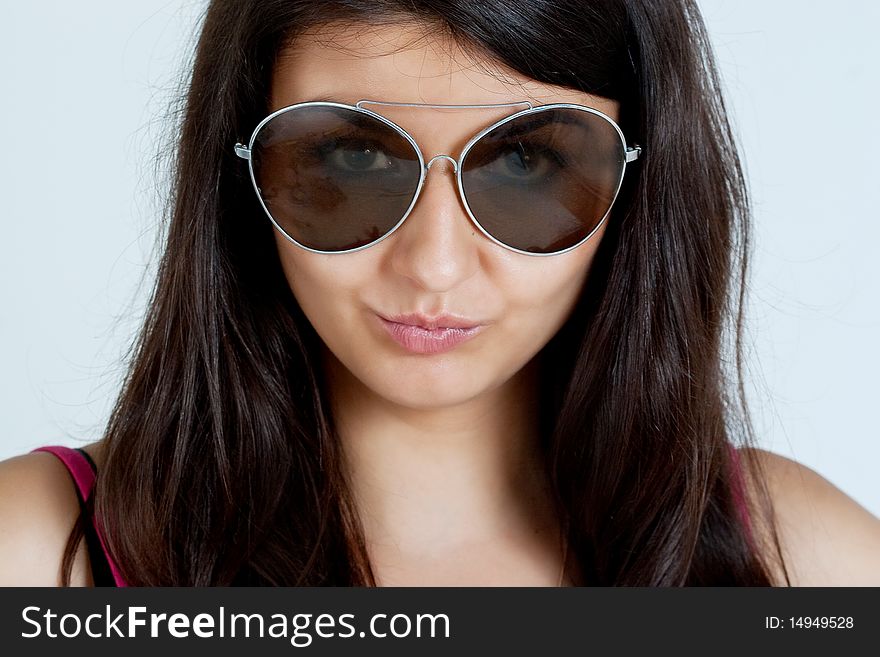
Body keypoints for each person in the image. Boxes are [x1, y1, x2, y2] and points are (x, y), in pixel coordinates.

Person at [1, 0, 878, 587]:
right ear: (241, 168)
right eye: (352, 156)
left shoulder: (804, 561)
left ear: (642, 180)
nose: (434, 267)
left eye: (528, 160)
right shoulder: (37, 555)